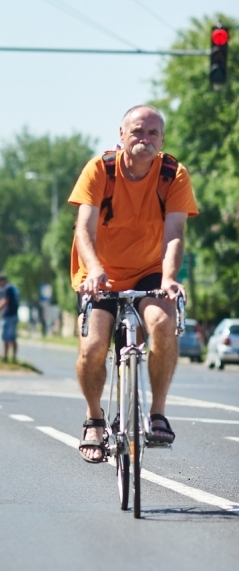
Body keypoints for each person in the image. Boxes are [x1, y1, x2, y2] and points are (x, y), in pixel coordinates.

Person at [70, 104, 199, 462]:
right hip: (102, 272)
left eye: (152, 133)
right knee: (93, 347)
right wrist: (93, 268)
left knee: (162, 323)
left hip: (149, 269)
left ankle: (157, 413)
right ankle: (94, 418)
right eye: (138, 131)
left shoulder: (173, 174)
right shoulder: (100, 170)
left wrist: (170, 278)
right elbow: (84, 228)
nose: (145, 139)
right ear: (122, 135)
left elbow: (174, 232)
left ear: (161, 139)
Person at [0, 273, 20, 362]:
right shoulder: (12, 288)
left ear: (0, 281)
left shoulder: (6, 289)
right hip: (13, 315)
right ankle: (13, 357)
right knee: (12, 337)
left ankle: (4, 357)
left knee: (6, 338)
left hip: (8, 316)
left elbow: (5, 301)